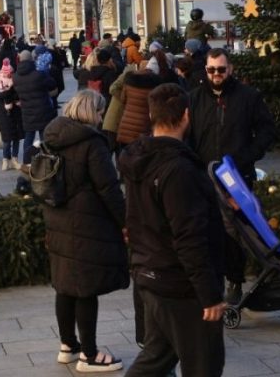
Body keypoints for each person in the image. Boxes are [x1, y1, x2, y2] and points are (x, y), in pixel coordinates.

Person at [118, 84, 225, 377]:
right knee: (203, 364)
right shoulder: (178, 169)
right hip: (179, 284)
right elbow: (189, 237)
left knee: (157, 358)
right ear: (187, 116)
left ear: (151, 115)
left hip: (150, 273)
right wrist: (209, 294)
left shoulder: (139, 158)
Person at [43, 90, 128, 372]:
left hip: (57, 218)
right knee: (85, 288)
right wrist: (125, 220)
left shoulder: (52, 136)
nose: (104, 117)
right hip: (86, 222)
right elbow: (108, 188)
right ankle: (89, 356)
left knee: (65, 284)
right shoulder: (93, 143)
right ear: (93, 112)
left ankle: (68, 345)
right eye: (102, 111)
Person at [188, 47, 274, 303]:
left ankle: (234, 281)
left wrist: (247, 156)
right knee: (206, 231)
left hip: (237, 178)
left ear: (231, 69)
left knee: (236, 232)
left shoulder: (248, 97)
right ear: (206, 70)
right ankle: (212, 281)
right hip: (204, 178)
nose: (216, 74)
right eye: (212, 69)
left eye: (221, 69)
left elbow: (267, 131)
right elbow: (187, 134)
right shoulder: (194, 98)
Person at [15, 50, 58, 167]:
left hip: (27, 112)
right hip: (43, 110)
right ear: (31, 60)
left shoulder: (16, 77)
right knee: (44, 137)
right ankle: (47, 161)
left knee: (28, 138)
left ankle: (26, 161)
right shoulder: (39, 75)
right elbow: (52, 84)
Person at [0, 59, 23, 170]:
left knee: (16, 138)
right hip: (4, 113)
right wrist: (8, 92)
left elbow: (18, 94)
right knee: (6, 139)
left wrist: (9, 93)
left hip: (15, 112)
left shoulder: (15, 81)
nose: (9, 75)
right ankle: (6, 159)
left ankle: (14, 159)